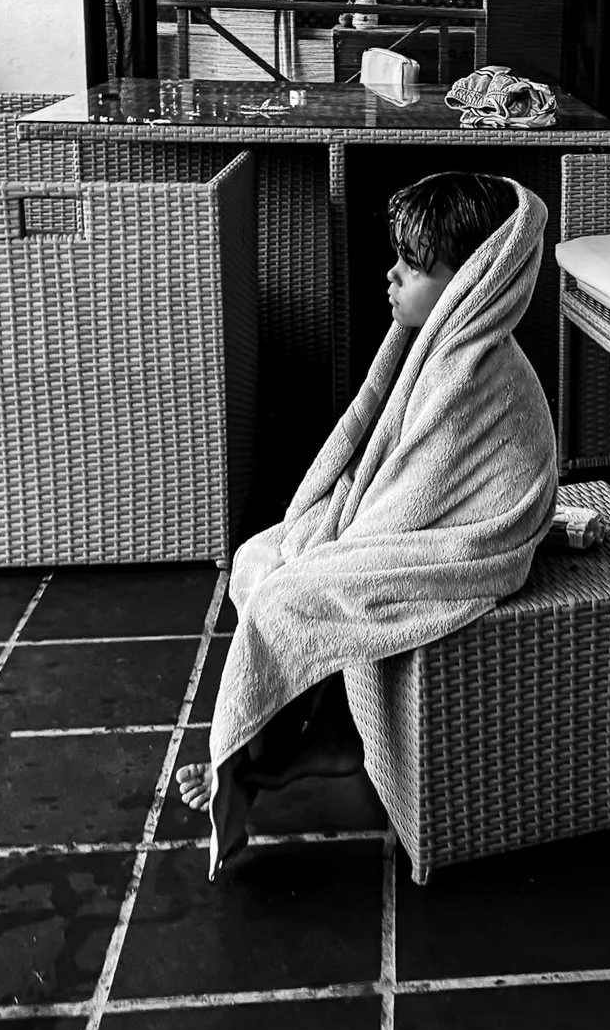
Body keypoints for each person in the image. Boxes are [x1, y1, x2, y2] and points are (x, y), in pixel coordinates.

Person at [176, 170, 558, 877]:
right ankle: (321, 734)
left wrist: (338, 544)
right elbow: (398, 474)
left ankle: (262, 761)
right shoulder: (449, 347)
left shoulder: (471, 371)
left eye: (412, 267)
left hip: (476, 542)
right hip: (431, 521)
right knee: (267, 555)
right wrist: (335, 527)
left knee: (289, 596)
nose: (391, 276)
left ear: (472, 282)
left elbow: (425, 499)